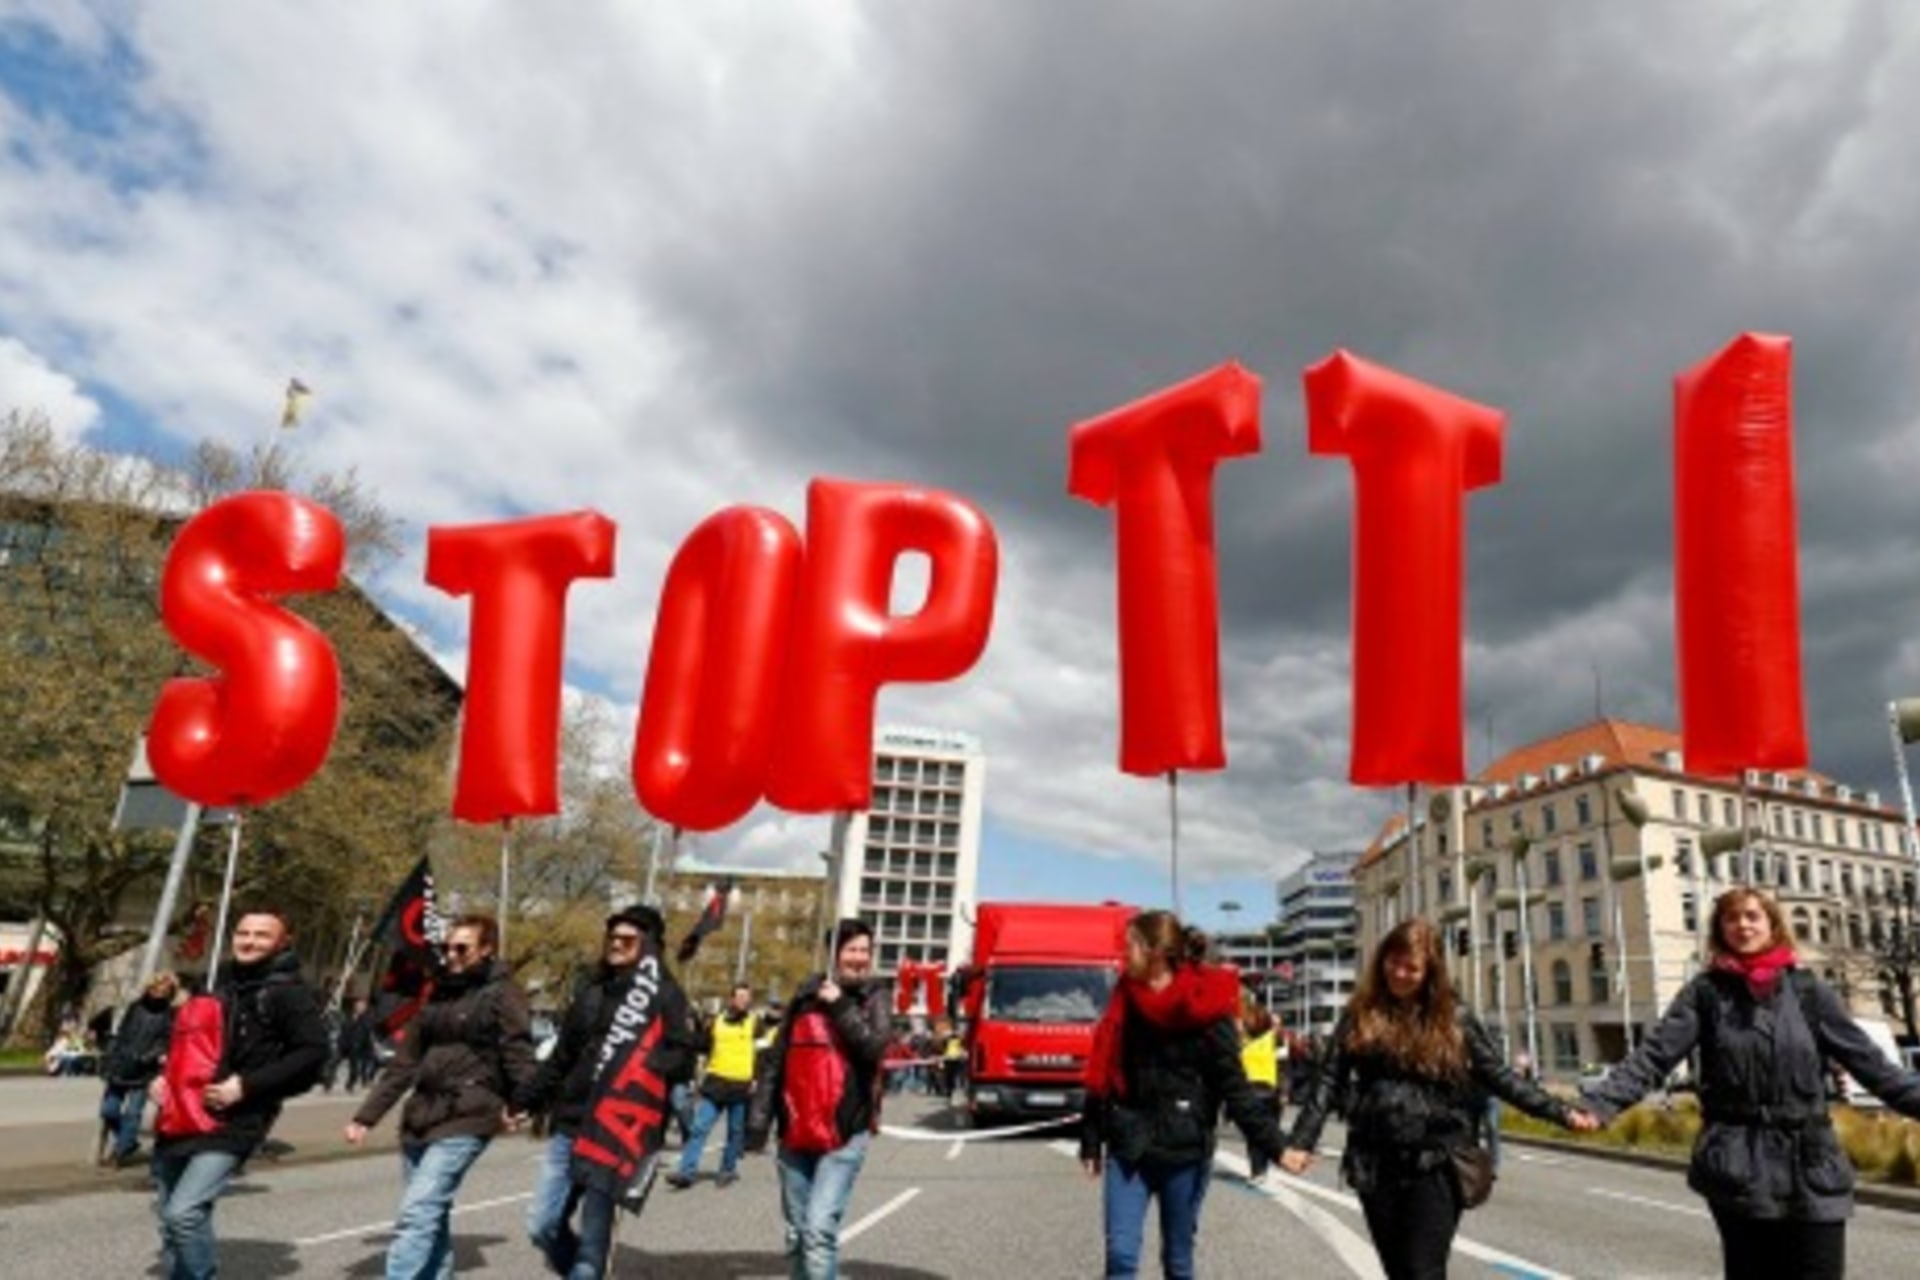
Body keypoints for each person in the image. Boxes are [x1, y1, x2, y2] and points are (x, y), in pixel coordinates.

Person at [1580, 887, 1920, 1280]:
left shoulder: (1808, 991)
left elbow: (1870, 1063)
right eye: (1731, 918)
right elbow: (1654, 1056)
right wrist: (1599, 1105)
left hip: (1812, 1161)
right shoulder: (1706, 993)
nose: (1742, 925)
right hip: (1738, 1161)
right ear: (1720, 929)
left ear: (1772, 925)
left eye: (1752, 916)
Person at [1284, 919, 1595, 1280]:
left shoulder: (1455, 1017)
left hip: (1436, 1162)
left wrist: (1562, 1113)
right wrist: (1302, 1140)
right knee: (1398, 1272)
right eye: (1393, 962)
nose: (1399, 974)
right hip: (1375, 1161)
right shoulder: (1360, 1013)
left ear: (1430, 972)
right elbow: (1328, 1078)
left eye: (1411, 967)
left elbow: (1500, 1077)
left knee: (1423, 1271)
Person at [1078, 909, 1284, 1280]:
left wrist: (1277, 1146)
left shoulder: (1206, 1007)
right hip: (1129, 1148)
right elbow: (1104, 1072)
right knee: (1120, 1257)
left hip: (1185, 1150)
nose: (1123, 955)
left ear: (1155, 952)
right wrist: (1091, 1140)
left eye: (1130, 946)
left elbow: (1235, 1088)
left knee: (1178, 1261)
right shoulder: (1124, 997)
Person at [512, 905, 699, 1280]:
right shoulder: (592, 992)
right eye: (612, 938)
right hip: (572, 1123)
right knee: (542, 1224)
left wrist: (646, 1065)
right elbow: (561, 1058)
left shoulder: (665, 995)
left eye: (627, 940)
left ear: (648, 946)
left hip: (617, 1131)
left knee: (594, 1242)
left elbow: (683, 1056)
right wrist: (524, 1100)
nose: (615, 945)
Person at [346, 914, 535, 1279]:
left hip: (470, 1112)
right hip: (422, 1115)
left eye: (462, 948)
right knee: (432, 1212)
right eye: (446, 948)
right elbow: (404, 1064)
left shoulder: (503, 994)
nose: (451, 955)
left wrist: (521, 1103)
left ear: (486, 950)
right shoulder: (436, 994)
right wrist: (365, 1117)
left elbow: (519, 1053)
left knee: (418, 1210)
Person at [149, 907, 329, 1280]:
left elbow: (312, 1054)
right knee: (170, 1219)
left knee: (183, 1214)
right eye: (243, 933)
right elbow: (185, 1038)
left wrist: (245, 1086)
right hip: (183, 1110)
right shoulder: (216, 981)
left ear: (283, 942)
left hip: (236, 1119)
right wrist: (163, 1077)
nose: (249, 941)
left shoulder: (289, 993)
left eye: (262, 935)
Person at [747, 919, 891, 1280]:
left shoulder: (875, 996)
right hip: (796, 1131)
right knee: (797, 1234)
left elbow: (874, 1049)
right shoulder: (804, 997)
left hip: (844, 1132)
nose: (860, 958)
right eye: (851, 950)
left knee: (817, 1231)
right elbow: (775, 1061)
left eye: (865, 950)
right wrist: (759, 1121)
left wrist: (840, 1004)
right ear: (833, 955)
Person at [666, 982, 759, 1190]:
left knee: (735, 1132)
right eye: (740, 997)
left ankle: (727, 1169)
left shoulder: (755, 1023)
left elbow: (762, 1053)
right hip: (716, 1083)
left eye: (747, 997)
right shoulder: (717, 1021)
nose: (743, 1001)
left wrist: (757, 1078)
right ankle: (686, 1172)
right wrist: (683, 1038)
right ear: (732, 999)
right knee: (699, 1128)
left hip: (741, 1084)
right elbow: (703, 1045)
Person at [98, 972, 179, 1167]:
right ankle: (129, 1141)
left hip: (144, 1071)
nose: (158, 992)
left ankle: (119, 1152)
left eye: (164, 990)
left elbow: (166, 1042)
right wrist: (112, 1055)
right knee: (109, 1110)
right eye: (155, 988)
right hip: (121, 1065)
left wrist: (147, 1056)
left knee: (133, 1114)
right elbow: (123, 1033)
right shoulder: (136, 1007)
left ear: (170, 993)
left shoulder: (170, 1014)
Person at [1239, 1000, 1283, 1180]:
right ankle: (1262, 1167)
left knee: (1253, 1134)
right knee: (1268, 1130)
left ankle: (1258, 1170)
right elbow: (1277, 1025)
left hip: (1249, 1092)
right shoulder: (1270, 1039)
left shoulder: (1243, 1043)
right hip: (1270, 1092)